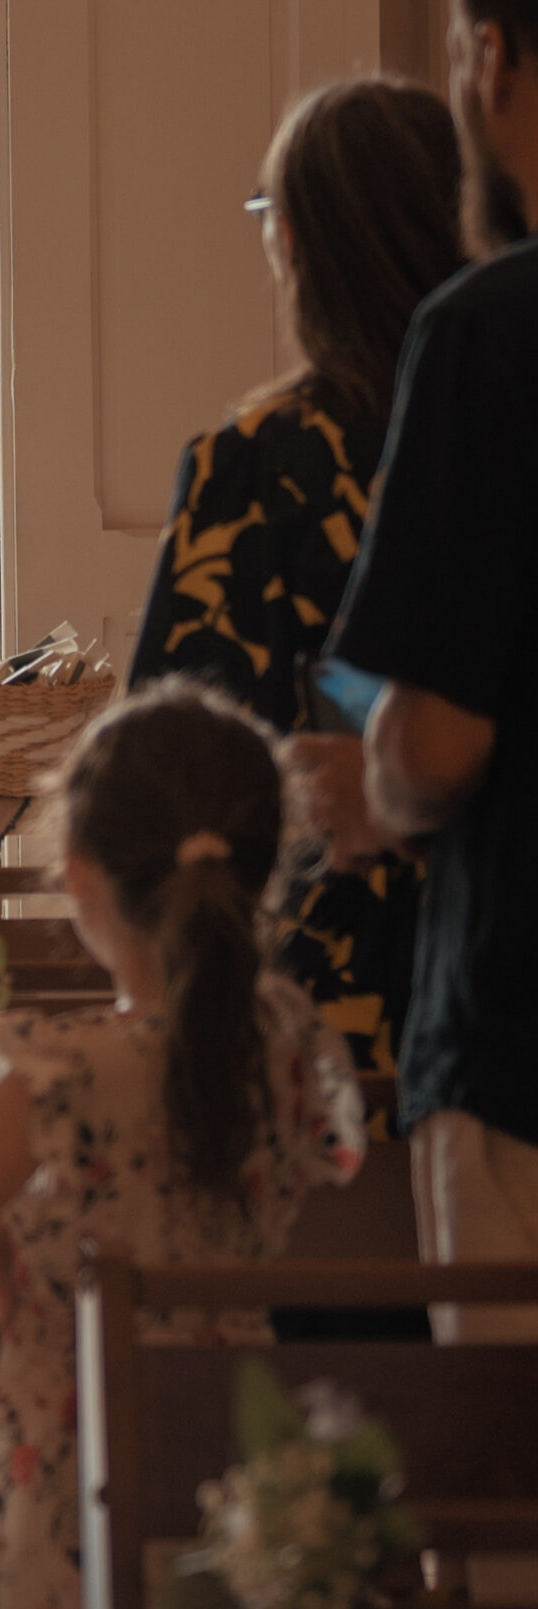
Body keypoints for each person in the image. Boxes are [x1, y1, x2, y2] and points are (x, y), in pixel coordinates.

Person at [0, 682, 364, 1609]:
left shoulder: (53, 1072)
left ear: (82, 874)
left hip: (64, 1467)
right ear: (259, 874)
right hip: (233, 1476)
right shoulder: (286, 1052)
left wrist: (4, 1267)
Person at [131, 81, 463, 1096]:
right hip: (494, 957)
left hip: (320, 982)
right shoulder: (493, 435)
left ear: (300, 247)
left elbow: (168, 755)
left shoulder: (258, 464)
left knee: (328, 1259)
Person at [329, 0, 538, 1344]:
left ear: (492, 53)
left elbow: (439, 742)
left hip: (523, 1017)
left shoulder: (490, 332)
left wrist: (374, 782)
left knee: (516, 1505)